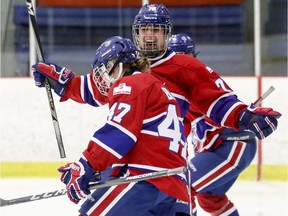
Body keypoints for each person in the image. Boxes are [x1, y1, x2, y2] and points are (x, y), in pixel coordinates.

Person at [32, 4, 281, 216]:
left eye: (156, 30)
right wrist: (63, 83)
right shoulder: (127, 70)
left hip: (150, 169)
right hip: (163, 172)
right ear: (136, 34)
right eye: (144, 30)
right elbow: (96, 87)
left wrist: (245, 116)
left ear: (167, 34)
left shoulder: (182, 67)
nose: (150, 36)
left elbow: (218, 101)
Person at [32, 36, 189, 215]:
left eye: (106, 70)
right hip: (173, 187)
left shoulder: (131, 84)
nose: (103, 79)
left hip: (145, 180)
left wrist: (86, 165)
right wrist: (67, 85)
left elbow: (120, 133)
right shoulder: (153, 86)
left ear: (121, 65)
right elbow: (144, 139)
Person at [168, 33, 260, 215]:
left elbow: (222, 109)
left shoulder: (198, 79)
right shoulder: (176, 87)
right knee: (210, 198)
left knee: (182, 186)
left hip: (233, 144)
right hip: (219, 148)